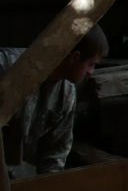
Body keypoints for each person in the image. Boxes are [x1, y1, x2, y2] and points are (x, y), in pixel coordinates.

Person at [0, 24, 109, 176]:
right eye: (90, 64)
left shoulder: (66, 94)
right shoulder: (7, 67)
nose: (91, 72)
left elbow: (56, 152)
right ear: (75, 57)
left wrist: (49, 189)